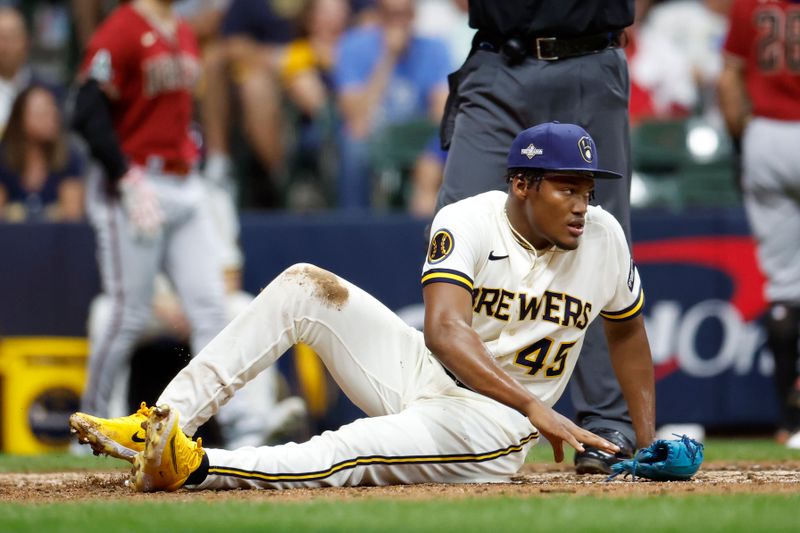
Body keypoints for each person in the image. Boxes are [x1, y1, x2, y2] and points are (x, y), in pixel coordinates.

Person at [70, 122, 656, 493]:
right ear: (522, 185)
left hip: (495, 423)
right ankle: (160, 423)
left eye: (587, 189)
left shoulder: (603, 238)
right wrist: (540, 406)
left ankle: (198, 467)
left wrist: (647, 439)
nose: (582, 205)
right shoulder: (469, 220)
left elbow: (628, 335)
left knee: (353, 447)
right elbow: (446, 333)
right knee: (304, 286)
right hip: (435, 371)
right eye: (566, 187)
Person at [434, 0, 639, 474]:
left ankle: (609, 423)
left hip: (590, 57)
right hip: (498, 60)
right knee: (454, 223)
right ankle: (449, 407)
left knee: (599, 237)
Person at [70, 0, 229, 430]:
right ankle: (87, 427)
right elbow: (85, 108)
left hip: (183, 179)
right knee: (127, 314)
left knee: (213, 309)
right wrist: (123, 174)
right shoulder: (120, 30)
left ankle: (243, 424)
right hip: (137, 181)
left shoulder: (182, 29)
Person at [717, 0, 800, 449]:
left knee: (786, 286)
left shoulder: (750, 3)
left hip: (768, 134)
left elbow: (728, 78)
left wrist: (743, 140)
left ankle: (790, 422)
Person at [333, 0, 450, 210]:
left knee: (448, 143)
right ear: (378, 15)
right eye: (390, 14)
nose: (398, 22)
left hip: (416, 134)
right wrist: (389, 57)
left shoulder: (434, 48)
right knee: (353, 143)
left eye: (404, 14)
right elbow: (356, 116)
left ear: (414, 16)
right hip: (374, 133)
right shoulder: (353, 46)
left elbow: (441, 113)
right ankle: (353, 223)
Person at [0, 84, 85, 222]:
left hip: (57, 241)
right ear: (20, 118)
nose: (52, 118)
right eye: (42, 113)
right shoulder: (3, 158)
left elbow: (72, 215)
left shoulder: (68, 158)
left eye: (53, 111)